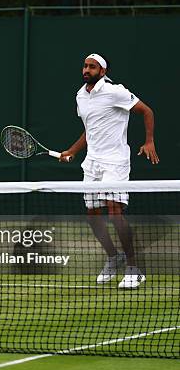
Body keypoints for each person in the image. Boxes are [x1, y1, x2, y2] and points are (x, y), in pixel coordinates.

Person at [60, 53, 159, 289]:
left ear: (102, 72)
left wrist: (149, 141)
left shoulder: (116, 91)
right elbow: (90, 129)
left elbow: (147, 111)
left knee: (115, 212)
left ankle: (134, 268)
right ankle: (114, 258)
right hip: (92, 162)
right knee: (92, 215)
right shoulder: (80, 96)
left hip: (115, 161)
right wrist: (72, 151)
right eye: (85, 66)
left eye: (92, 67)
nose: (87, 70)